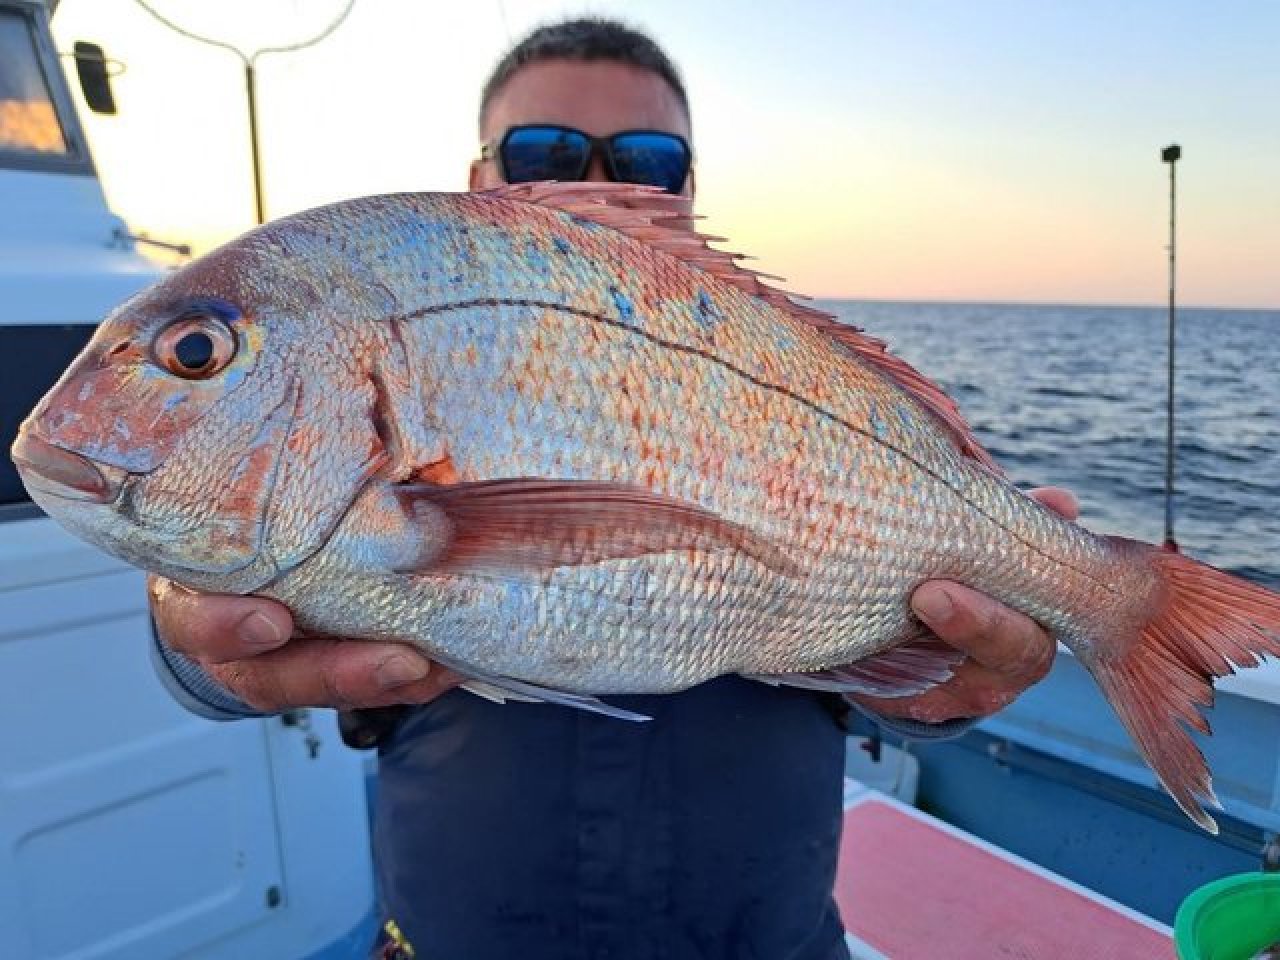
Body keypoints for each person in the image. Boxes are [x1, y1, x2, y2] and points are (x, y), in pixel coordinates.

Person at [149, 18, 1079, 959]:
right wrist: (199, 643)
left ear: (685, 190)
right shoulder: (376, 363)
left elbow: (904, 673)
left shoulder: (793, 374)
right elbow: (209, 665)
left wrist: (958, 685)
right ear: (479, 183)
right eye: (541, 152)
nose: (596, 184)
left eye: (645, 157)